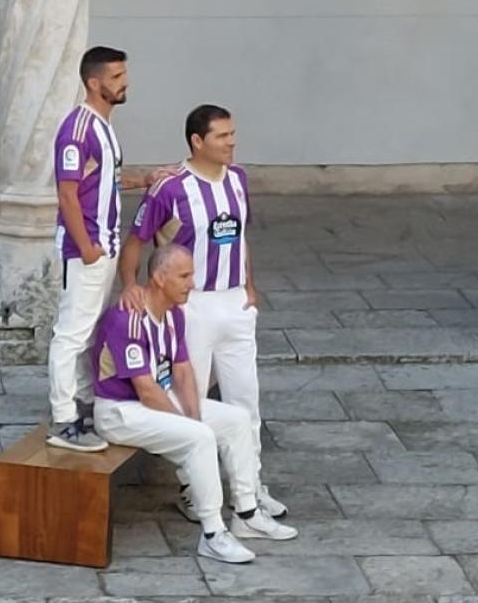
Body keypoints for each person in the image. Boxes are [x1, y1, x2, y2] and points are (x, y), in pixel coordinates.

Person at [118, 104, 288, 519]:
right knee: (189, 398)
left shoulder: (239, 180)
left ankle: (251, 485)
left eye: (232, 134)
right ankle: (194, 485)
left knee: (245, 399)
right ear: (197, 141)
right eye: (222, 136)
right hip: (191, 306)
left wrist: (249, 284)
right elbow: (136, 240)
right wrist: (132, 287)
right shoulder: (170, 188)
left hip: (233, 304)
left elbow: (240, 235)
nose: (231, 142)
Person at [92, 244, 297, 563]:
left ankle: (246, 513)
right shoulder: (128, 319)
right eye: (184, 275)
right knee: (199, 438)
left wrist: (195, 413)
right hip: (121, 410)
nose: (191, 283)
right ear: (159, 278)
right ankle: (213, 533)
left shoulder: (174, 313)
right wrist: (190, 424)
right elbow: (145, 390)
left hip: (155, 399)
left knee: (236, 420)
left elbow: (183, 370)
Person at [47, 46, 168, 452]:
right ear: (94, 83)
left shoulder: (102, 126)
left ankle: (83, 401)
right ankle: (64, 419)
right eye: (116, 76)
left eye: (124, 74)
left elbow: (101, 181)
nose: (125, 82)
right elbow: (66, 193)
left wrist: (145, 179)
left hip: (103, 246)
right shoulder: (78, 129)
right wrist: (87, 247)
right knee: (71, 334)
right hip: (89, 250)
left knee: (89, 330)